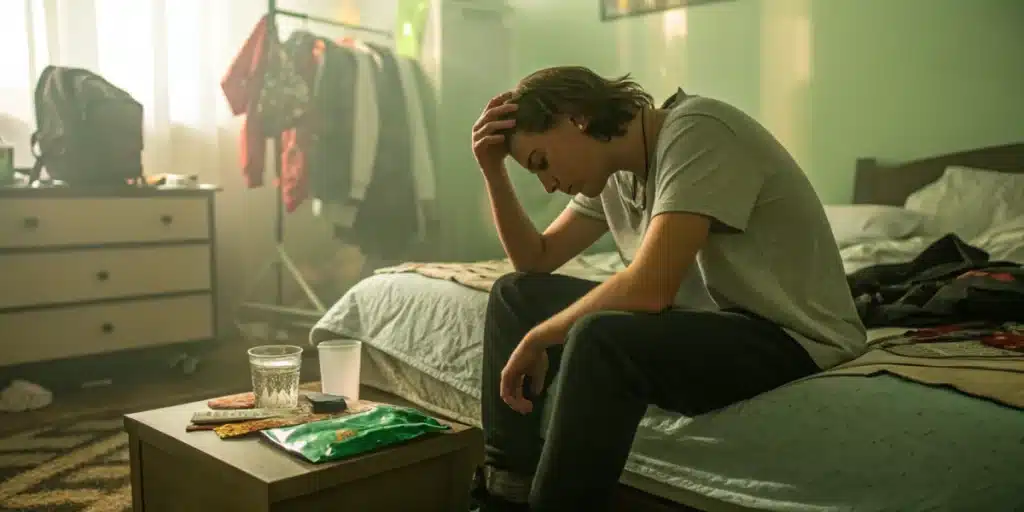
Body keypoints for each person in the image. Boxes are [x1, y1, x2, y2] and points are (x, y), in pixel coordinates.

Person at [469, 66, 866, 512]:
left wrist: (540, 337)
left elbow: (650, 288)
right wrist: (492, 171)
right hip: (707, 324)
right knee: (514, 295)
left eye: (541, 162)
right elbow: (534, 259)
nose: (548, 185)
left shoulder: (698, 130)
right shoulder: (614, 172)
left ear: (576, 117)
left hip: (789, 337)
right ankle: (504, 496)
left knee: (600, 338)